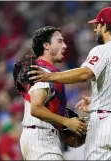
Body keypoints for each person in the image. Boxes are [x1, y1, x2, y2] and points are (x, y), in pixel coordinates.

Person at [29, 7, 111, 160]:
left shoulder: (102, 50)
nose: (95, 29)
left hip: (107, 124)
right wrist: (98, 100)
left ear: (104, 26)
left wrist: (49, 76)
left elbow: (85, 73)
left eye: (97, 25)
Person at [20, 26, 87, 160]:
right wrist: (66, 121)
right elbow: (36, 108)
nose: (65, 45)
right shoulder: (42, 72)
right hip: (41, 138)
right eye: (60, 41)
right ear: (46, 46)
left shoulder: (44, 71)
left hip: (40, 138)